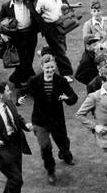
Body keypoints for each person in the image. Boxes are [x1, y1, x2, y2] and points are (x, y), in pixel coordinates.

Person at [21, 54, 77, 184]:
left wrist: (67, 98)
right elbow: (23, 91)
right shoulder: (34, 80)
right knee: (45, 147)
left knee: (63, 142)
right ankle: (51, 171)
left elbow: (73, 97)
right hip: (40, 120)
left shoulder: (61, 81)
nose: (50, 70)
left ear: (55, 66)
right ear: (42, 67)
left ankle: (66, 156)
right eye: (47, 68)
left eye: (52, 67)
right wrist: (20, 98)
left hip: (57, 120)